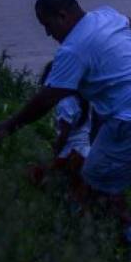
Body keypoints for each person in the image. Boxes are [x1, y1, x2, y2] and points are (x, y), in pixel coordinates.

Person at [0, 0, 131, 258]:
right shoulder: (106, 15)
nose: (48, 34)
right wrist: (110, 52)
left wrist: (9, 125)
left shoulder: (72, 49)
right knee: (105, 161)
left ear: (62, 15)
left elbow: (48, 98)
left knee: (96, 181)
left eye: (47, 25)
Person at [27, 61, 92, 203]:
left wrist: (56, 151)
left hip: (71, 154)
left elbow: (64, 135)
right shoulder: (81, 99)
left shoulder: (65, 103)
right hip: (86, 151)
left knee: (36, 175)